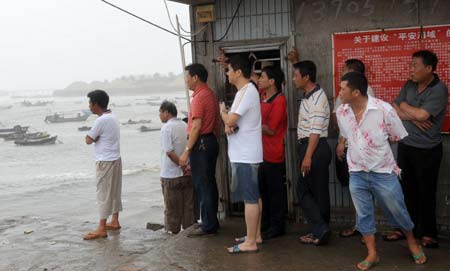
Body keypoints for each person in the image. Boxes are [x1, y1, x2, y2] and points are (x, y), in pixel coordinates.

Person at [336, 72, 427, 270]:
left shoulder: (383, 110)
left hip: (383, 172)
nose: (339, 92)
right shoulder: (342, 112)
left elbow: (396, 136)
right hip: (356, 171)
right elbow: (347, 135)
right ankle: (372, 253)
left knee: (398, 210)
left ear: (356, 92)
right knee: (363, 214)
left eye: (343, 88)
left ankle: (412, 242)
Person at [390, 50, 448, 248]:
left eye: (415, 65)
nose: (411, 69)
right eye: (410, 65)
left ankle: (428, 233)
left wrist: (407, 110)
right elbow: (394, 107)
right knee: (406, 190)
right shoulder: (409, 84)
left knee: (426, 192)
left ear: (429, 68)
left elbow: (424, 115)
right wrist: (412, 113)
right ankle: (406, 230)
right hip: (406, 146)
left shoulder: (439, 89)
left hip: (427, 150)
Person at [220, 55, 263, 253]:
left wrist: (223, 114)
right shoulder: (244, 92)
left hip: (245, 154)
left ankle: (251, 242)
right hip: (245, 151)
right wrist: (230, 124)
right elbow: (236, 122)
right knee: (254, 196)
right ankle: (255, 235)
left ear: (238, 72)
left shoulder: (247, 92)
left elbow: (230, 120)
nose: (227, 73)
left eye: (229, 69)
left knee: (250, 198)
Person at [334, 59, 375, 239]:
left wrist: (342, 142)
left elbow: (352, 121)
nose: (342, 73)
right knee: (357, 189)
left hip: (356, 148)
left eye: (345, 70)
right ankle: (362, 227)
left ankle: (364, 229)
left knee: (362, 189)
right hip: (351, 146)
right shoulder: (350, 91)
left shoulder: (361, 93)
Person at [293, 60, 332, 245]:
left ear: (306, 77)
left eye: (296, 75)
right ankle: (320, 230)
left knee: (303, 190)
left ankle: (320, 228)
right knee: (317, 191)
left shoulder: (318, 98)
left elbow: (315, 131)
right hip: (311, 147)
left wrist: (307, 156)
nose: (293, 79)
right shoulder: (309, 95)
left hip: (314, 148)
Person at [179, 63, 220, 237]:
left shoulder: (199, 97)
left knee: (203, 185)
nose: (186, 81)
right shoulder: (209, 94)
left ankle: (208, 225)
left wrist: (187, 151)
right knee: (209, 183)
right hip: (210, 141)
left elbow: (196, 126)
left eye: (187, 77)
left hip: (202, 144)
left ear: (195, 77)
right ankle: (211, 221)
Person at [84, 89, 122, 240]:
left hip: (105, 160)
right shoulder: (113, 116)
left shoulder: (100, 120)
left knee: (103, 194)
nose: (89, 106)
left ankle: (101, 227)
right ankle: (115, 220)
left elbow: (88, 139)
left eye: (90, 103)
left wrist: (93, 137)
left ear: (96, 104)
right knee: (114, 192)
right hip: (116, 158)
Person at [257, 66, 288, 240]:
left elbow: (271, 129)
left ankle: (278, 225)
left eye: (262, 77)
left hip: (273, 152)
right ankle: (266, 223)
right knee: (263, 190)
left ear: (272, 81)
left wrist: (252, 127)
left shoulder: (279, 100)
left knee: (275, 192)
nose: (260, 80)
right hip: (260, 152)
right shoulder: (263, 97)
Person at [159, 101, 194, 234]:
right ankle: (188, 232)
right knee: (188, 207)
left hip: (171, 174)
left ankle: (172, 234)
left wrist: (180, 164)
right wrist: (185, 166)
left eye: (160, 113)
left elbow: (169, 151)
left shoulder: (166, 128)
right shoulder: (185, 125)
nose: (160, 116)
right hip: (187, 173)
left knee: (172, 208)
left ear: (167, 112)